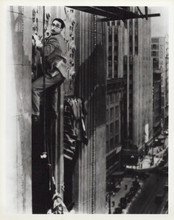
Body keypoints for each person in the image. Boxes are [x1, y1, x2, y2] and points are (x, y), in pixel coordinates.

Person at [32, 18, 68, 122]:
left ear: (61, 29)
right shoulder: (60, 39)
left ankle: (35, 114)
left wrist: (38, 42)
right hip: (61, 73)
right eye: (53, 25)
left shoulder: (55, 39)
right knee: (52, 91)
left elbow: (46, 51)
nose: (53, 27)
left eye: (57, 26)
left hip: (55, 72)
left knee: (34, 88)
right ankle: (53, 113)